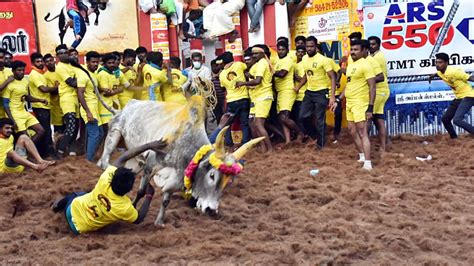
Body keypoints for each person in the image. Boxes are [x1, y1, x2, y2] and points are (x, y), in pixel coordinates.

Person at [51, 139, 168, 235]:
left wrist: (148, 145)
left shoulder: (105, 179)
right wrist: (148, 196)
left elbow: (123, 157)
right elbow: (139, 218)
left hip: (71, 209)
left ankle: (57, 205)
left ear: (113, 178)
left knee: (79, 194)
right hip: (79, 229)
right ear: (128, 190)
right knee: (88, 198)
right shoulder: (124, 207)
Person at [332, 39, 376, 170]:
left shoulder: (366, 65)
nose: (353, 52)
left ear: (364, 51)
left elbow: (372, 87)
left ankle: (368, 163)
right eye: (352, 49)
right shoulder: (350, 65)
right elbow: (349, 85)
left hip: (360, 103)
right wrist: (338, 100)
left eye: (356, 50)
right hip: (350, 103)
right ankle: (362, 155)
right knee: (352, 131)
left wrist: (370, 107)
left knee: (363, 133)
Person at [294, 36, 336, 150]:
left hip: (321, 92)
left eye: (311, 46)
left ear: (316, 46)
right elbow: (307, 75)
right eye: (307, 46)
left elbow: (333, 77)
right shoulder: (304, 59)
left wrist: (332, 96)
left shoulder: (323, 60)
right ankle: (315, 136)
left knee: (319, 119)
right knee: (302, 117)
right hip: (309, 92)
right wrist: (298, 86)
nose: (309, 49)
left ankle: (321, 146)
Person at [236, 45, 274, 152]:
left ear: (262, 54)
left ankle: (270, 148)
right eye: (253, 54)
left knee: (258, 124)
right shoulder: (258, 64)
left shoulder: (262, 63)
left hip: (263, 96)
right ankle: (262, 147)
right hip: (256, 98)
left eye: (256, 53)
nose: (254, 56)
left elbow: (258, 81)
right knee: (252, 123)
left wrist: (243, 83)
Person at [429, 52, 474, 138]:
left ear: (446, 63)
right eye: (436, 62)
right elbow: (439, 73)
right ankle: (454, 139)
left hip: (469, 96)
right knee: (445, 119)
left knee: (457, 120)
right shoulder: (440, 72)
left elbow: (470, 78)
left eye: (440, 62)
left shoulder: (454, 72)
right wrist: (433, 75)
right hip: (459, 98)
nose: (437, 65)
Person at [3, 61, 46, 144]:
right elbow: (5, 104)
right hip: (15, 114)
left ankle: (25, 151)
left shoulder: (25, 81)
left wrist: (40, 100)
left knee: (41, 131)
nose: (22, 72)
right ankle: (25, 154)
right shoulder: (9, 84)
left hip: (23, 112)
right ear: (13, 71)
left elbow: (25, 97)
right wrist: (12, 120)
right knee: (25, 138)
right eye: (19, 70)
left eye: (23, 70)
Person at [218, 51, 250, 147]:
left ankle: (229, 142)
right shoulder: (239, 65)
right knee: (245, 123)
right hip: (244, 98)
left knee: (227, 124)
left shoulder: (222, 74)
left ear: (223, 62)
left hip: (231, 101)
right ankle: (245, 143)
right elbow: (248, 67)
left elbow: (223, 87)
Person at [28, 52, 57, 158]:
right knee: (45, 131)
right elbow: (43, 89)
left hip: (45, 106)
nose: (41, 63)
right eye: (38, 62)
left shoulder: (41, 73)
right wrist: (56, 87)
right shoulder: (34, 75)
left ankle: (44, 153)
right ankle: (46, 154)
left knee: (46, 130)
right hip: (40, 106)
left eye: (41, 61)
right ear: (32, 63)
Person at [77, 51, 104, 161]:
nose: (95, 64)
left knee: (100, 133)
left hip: (95, 108)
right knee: (95, 135)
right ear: (87, 62)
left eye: (97, 62)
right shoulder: (83, 75)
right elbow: (80, 93)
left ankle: (89, 155)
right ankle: (89, 159)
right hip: (88, 109)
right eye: (93, 62)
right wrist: (88, 111)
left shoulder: (94, 74)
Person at [55, 44, 80, 157]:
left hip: (76, 99)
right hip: (67, 99)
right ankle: (59, 151)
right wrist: (81, 79)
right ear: (57, 56)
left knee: (75, 127)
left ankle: (71, 150)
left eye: (65, 52)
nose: (64, 55)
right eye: (61, 53)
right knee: (70, 126)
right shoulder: (60, 67)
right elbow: (72, 83)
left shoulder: (71, 65)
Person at [274, 41, 300, 145]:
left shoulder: (288, 60)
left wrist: (272, 72)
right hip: (280, 92)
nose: (280, 51)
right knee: (282, 119)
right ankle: (288, 141)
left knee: (283, 117)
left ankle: (300, 133)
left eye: (283, 49)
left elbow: (282, 74)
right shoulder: (277, 62)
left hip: (287, 91)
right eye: (279, 49)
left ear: (287, 50)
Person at [368, 36, 390, 151]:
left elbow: (378, 77)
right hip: (380, 90)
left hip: (379, 91)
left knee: (369, 118)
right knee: (378, 119)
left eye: (373, 44)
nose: (371, 46)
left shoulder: (377, 58)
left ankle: (366, 147)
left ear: (378, 45)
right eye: (369, 44)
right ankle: (383, 146)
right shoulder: (374, 56)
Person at [292, 45, 308, 142]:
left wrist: (294, 75)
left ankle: (305, 135)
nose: (301, 54)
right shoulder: (294, 64)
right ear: (296, 53)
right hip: (294, 95)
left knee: (302, 117)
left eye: (303, 52)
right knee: (296, 117)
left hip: (303, 94)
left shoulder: (304, 64)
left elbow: (304, 79)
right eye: (299, 52)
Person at [211, 58, 226, 124]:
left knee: (224, 115)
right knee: (218, 116)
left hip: (223, 99)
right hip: (215, 100)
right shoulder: (209, 76)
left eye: (216, 66)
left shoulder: (223, 74)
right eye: (213, 66)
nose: (214, 68)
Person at [0, 48, 14, 119]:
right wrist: (8, 81)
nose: (0, 60)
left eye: (2, 57)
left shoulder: (9, 71)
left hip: (9, 107)